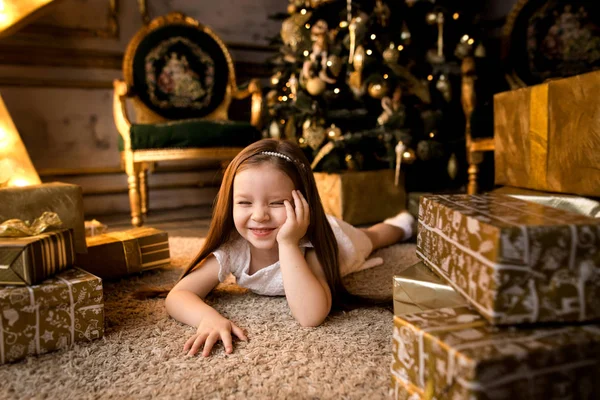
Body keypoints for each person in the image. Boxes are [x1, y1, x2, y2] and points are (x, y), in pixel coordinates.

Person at [165, 139, 415, 357]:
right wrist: (208, 318)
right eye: (244, 202)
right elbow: (178, 296)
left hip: (335, 237)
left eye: (276, 202)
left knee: (372, 237)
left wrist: (287, 242)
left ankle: (402, 223)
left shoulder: (311, 244)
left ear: (302, 201)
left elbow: (311, 316)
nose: (260, 215)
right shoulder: (234, 248)